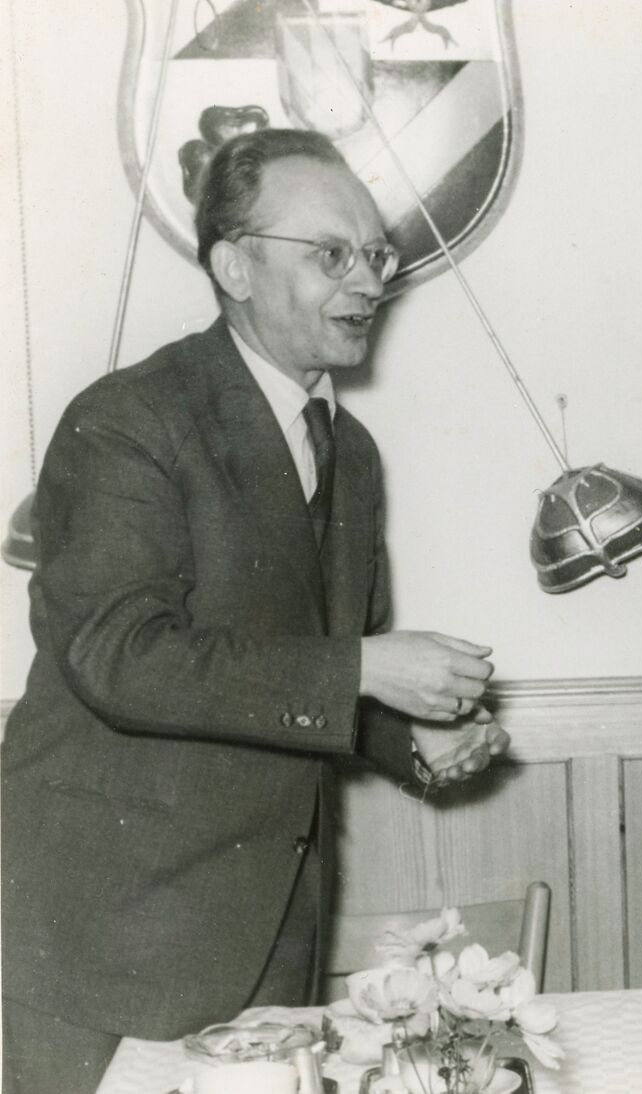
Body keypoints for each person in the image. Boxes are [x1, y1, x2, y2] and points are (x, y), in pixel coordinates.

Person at [1, 128, 511, 1094]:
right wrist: (367, 670)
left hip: (271, 933)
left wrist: (411, 740)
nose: (367, 283)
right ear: (234, 267)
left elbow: (303, 672)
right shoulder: (127, 420)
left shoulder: (350, 452)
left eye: (375, 256)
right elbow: (121, 656)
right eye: (332, 254)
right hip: (104, 943)